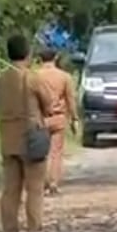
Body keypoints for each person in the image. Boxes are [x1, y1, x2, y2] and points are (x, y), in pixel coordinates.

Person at [0, 34, 54, 232]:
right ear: (28, 53)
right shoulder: (32, 78)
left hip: (8, 137)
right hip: (31, 137)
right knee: (34, 188)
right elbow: (49, 103)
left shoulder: (0, 79)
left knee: (10, 190)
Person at [36, 47, 79, 195]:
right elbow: (70, 99)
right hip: (58, 118)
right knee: (56, 153)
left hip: (39, 119)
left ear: (40, 59)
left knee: (41, 154)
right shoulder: (64, 77)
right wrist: (74, 119)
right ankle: (53, 183)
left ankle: (43, 184)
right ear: (55, 58)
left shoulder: (33, 77)